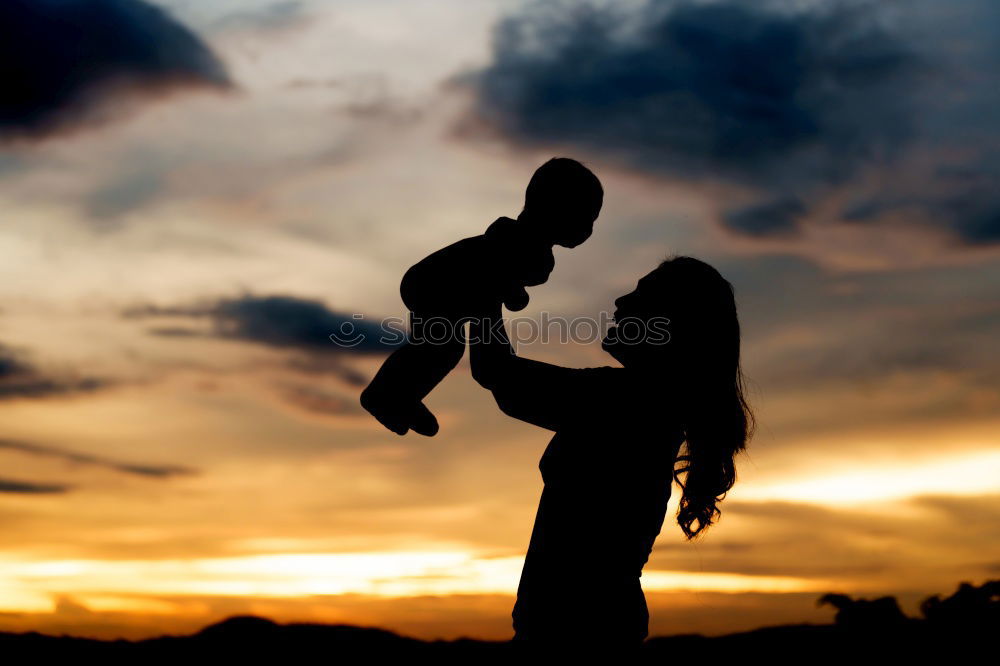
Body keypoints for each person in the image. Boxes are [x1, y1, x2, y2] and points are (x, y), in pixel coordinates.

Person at [470, 256, 754, 651]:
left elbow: (499, 376)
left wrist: (482, 297)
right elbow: (502, 381)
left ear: (670, 325)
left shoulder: (626, 399)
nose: (620, 302)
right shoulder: (649, 402)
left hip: (574, 634)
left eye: (642, 296)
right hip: (594, 626)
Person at [361, 158, 604, 437]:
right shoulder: (517, 239)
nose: (588, 229)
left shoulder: (537, 254)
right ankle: (385, 395)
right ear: (552, 207)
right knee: (441, 348)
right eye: (586, 216)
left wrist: (506, 296)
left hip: (452, 293)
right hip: (437, 283)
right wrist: (510, 295)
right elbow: (497, 268)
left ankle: (398, 395)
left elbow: (502, 284)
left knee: (441, 348)